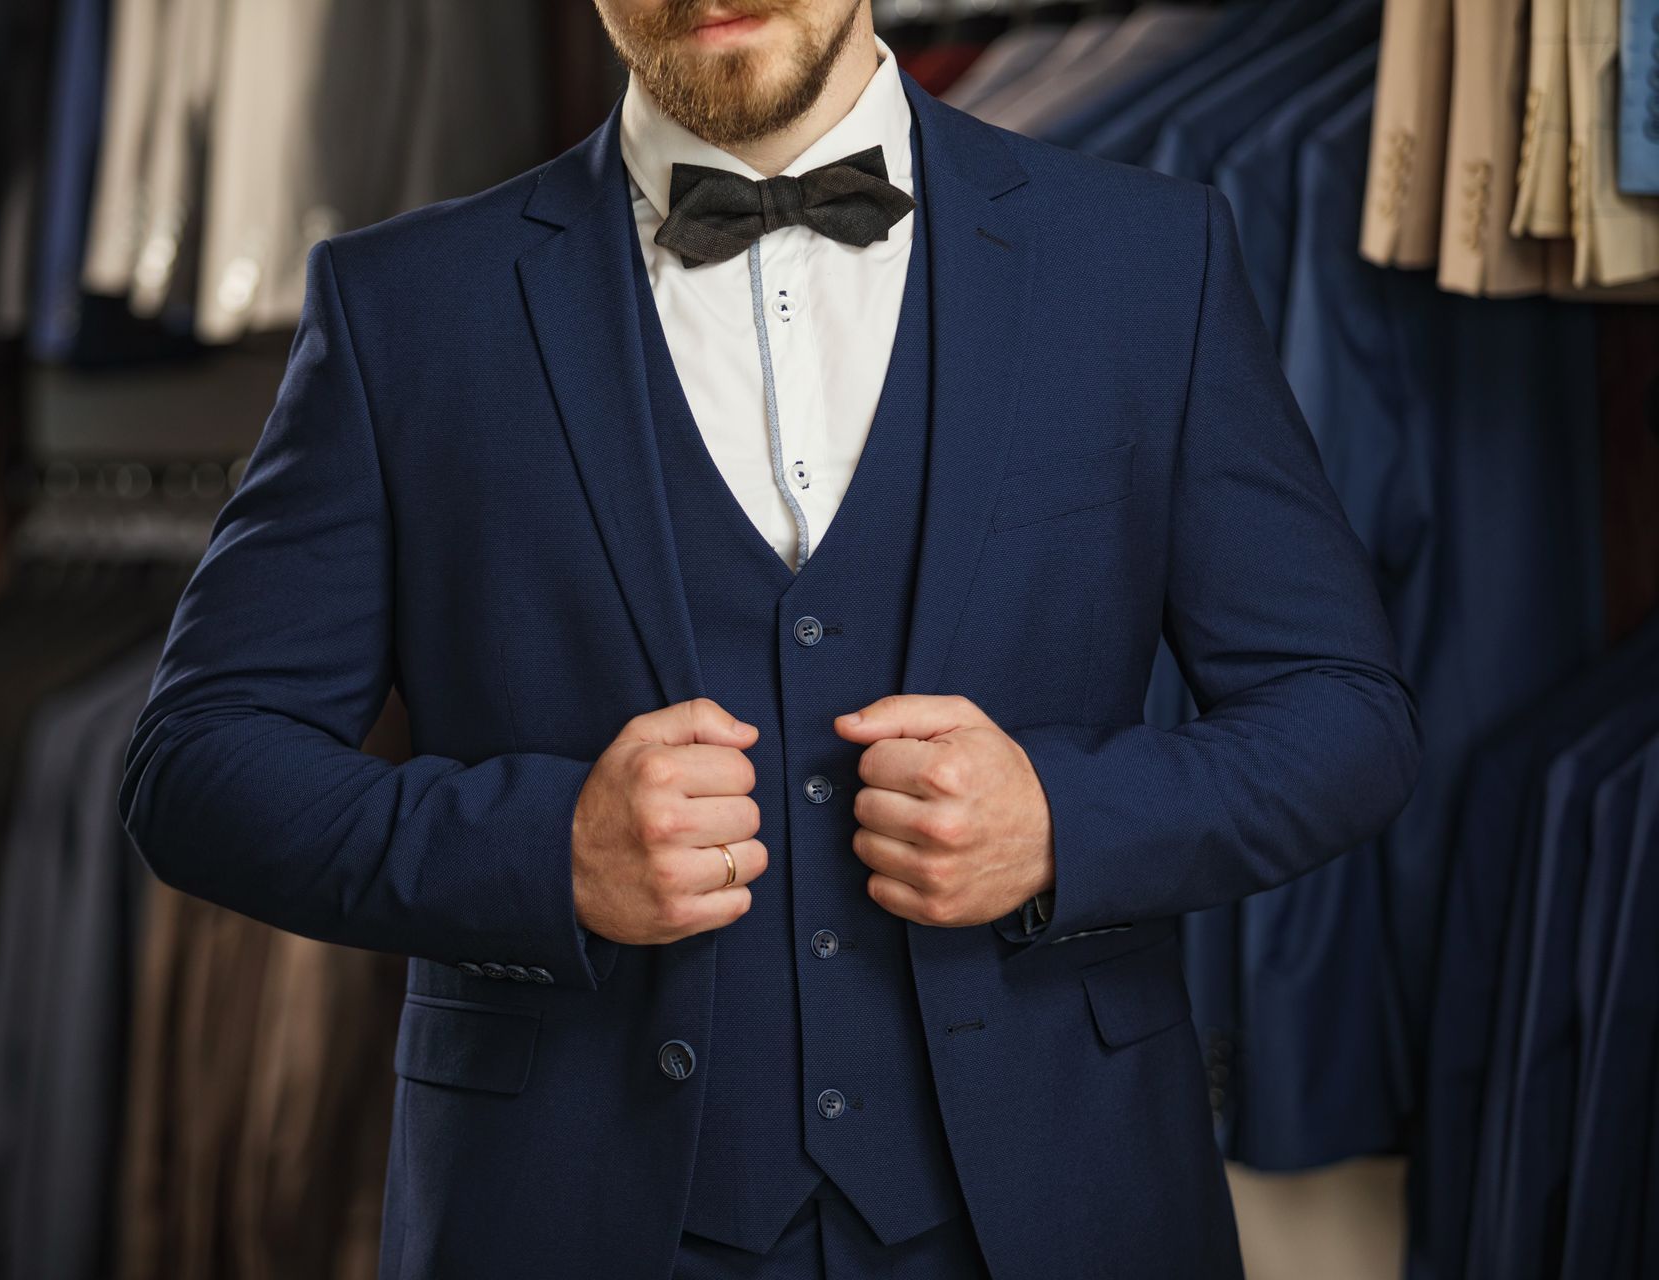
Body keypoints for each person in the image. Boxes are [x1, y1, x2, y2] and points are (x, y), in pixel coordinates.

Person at [117, 2, 1424, 1276]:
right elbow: (196, 768)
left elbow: (1344, 718)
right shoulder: (408, 306)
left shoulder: (1146, 257)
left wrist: (1064, 822)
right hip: (567, 1210)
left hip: (1059, 1201)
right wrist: (545, 851)